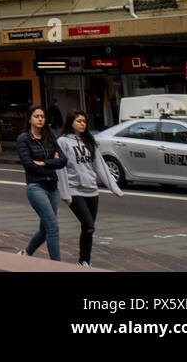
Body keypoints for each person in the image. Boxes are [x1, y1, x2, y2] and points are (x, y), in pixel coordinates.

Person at [57, 111, 123, 267]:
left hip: (91, 190)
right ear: (71, 122)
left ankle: (84, 260)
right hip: (74, 190)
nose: (82, 124)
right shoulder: (63, 142)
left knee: (89, 229)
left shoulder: (89, 140)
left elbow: (100, 165)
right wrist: (65, 193)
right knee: (88, 224)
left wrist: (114, 187)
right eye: (78, 121)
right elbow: (60, 169)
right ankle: (83, 260)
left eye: (84, 121)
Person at [17, 104, 68, 261]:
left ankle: (26, 253)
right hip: (35, 186)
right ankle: (57, 266)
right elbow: (29, 165)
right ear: (30, 119)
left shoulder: (50, 137)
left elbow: (63, 160)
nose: (40, 119)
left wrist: (45, 163)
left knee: (45, 229)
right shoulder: (24, 139)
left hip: (52, 186)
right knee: (52, 226)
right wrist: (52, 162)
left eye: (42, 117)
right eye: (36, 116)